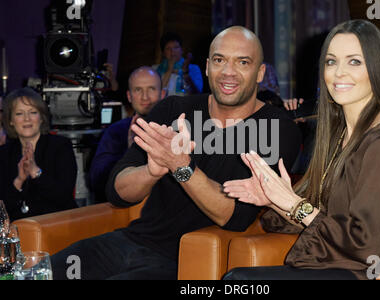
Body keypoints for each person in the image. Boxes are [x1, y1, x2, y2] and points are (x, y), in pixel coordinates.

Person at [50, 26, 302, 280]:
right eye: (219, 60)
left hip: (184, 262)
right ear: (206, 67)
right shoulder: (173, 108)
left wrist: (181, 165)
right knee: (40, 274)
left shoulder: (277, 129)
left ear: (259, 73)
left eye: (242, 62)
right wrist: (151, 171)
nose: (228, 72)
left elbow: (234, 217)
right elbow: (117, 193)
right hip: (129, 242)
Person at [223, 20, 380, 280]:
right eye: (331, 61)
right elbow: (317, 219)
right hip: (340, 265)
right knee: (238, 279)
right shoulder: (338, 135)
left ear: (376, 68)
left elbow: (365, 246)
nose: (338, 73)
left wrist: (294, 204)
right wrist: (274, 200)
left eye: (354, 61)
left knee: (240, 282)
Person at [89, 67, 165, 203]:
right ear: (129, 96)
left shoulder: (176, 130)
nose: (145, 97)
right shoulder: (116, 132)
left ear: (163, 94)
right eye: (138, 90)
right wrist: (130, 153)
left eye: (151, 89)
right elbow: (98, 180)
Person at [0, 88, 77, 222]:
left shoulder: (61, 147)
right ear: (11, 120)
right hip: (17, 230)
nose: (27, 119)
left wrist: (36, 172)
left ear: (41, 118)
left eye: (33, 112)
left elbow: (63, 196)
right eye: (19, 114)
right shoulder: (3, 153)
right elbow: (3, 207)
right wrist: (19, 181)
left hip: (56, 225)